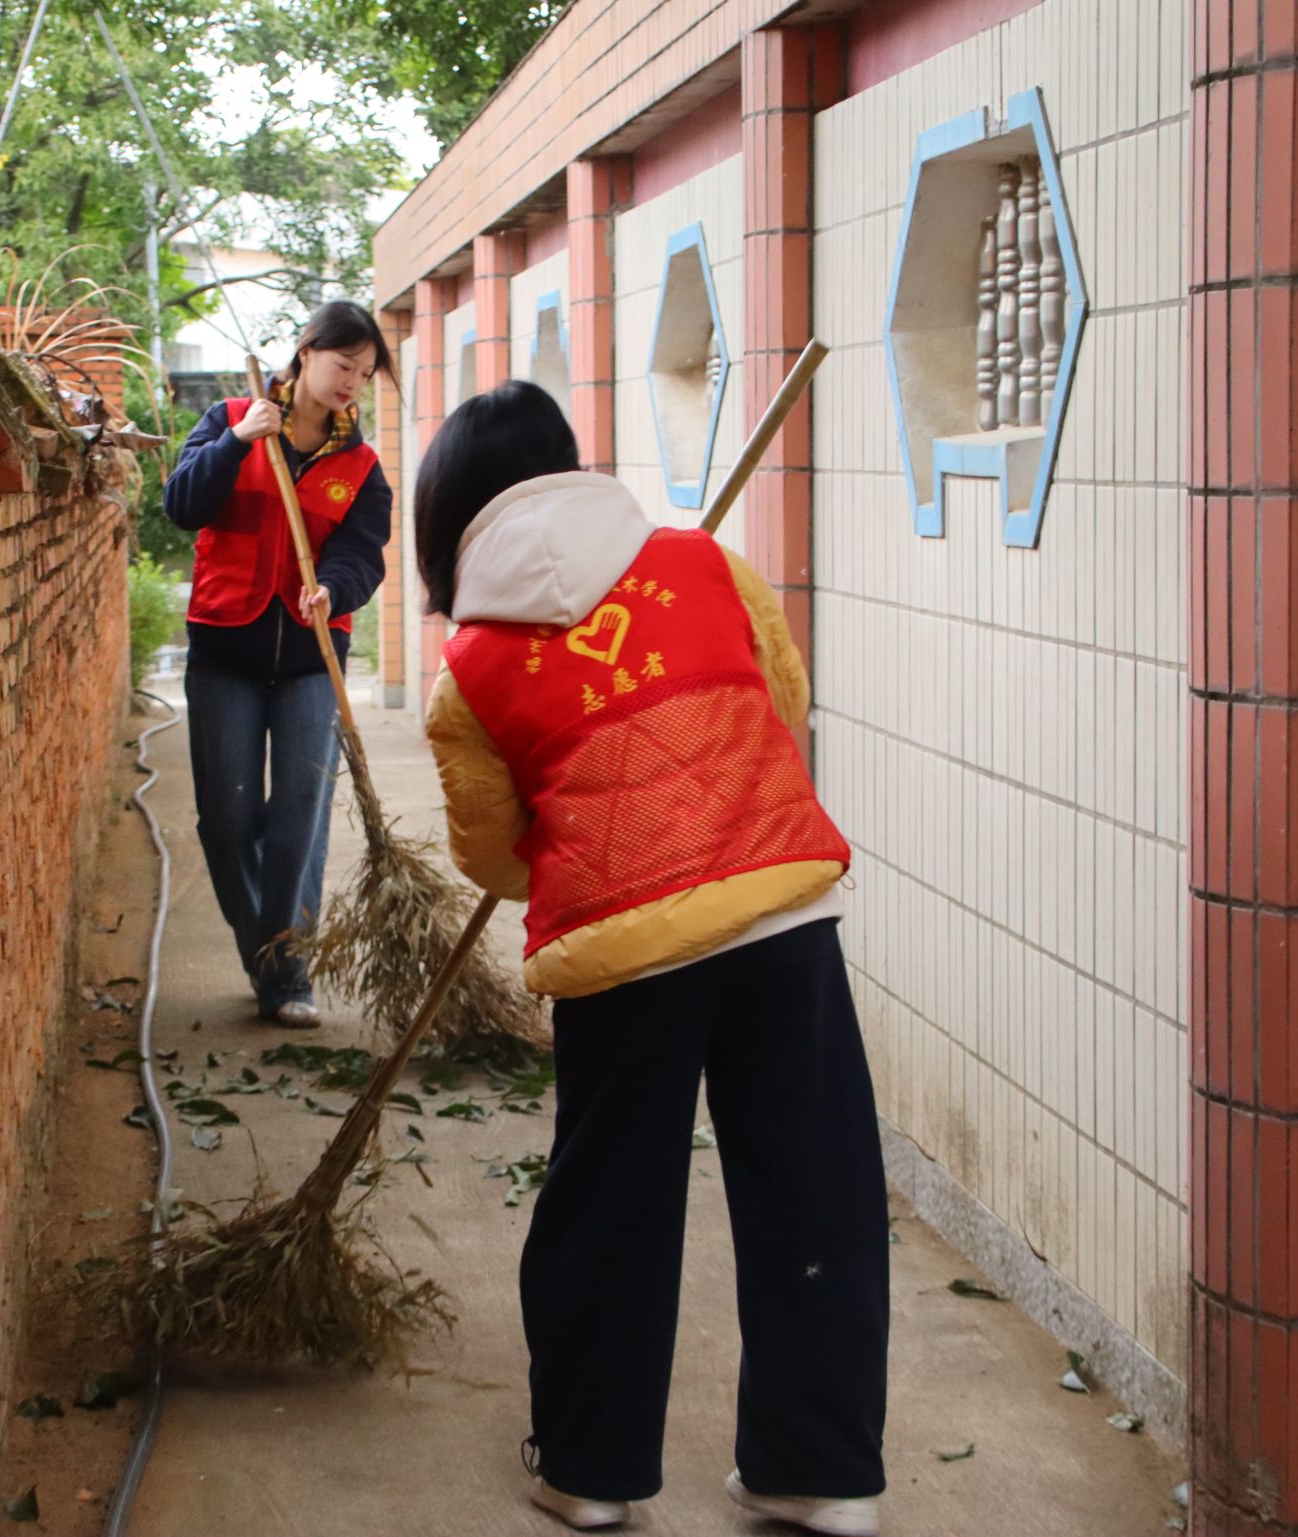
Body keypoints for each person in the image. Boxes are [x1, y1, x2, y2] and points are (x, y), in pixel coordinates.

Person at [416, 381, 890, 1536]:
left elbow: (493, 852)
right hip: (777, 915)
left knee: (609, 1201)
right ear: (569, 462)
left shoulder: (466, 671)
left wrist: (591, 838)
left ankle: (588, 1470)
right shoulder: (703, 562)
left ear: (450, 515)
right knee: (812, 1186)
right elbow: (781, 699)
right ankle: (817, 1471)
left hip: (618, 951)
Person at [163, 300, 395, 1027]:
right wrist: (236, 443)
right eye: (343, 364)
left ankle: (289, 972)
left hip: (309, 658)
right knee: (227, 817)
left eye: (365, 372)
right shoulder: (232, 419)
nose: (352, 381)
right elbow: (182, 505)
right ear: (306, 352)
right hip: (224, 649)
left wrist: (336, 588)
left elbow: (362, 553)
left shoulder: (360, 465)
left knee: (300, 810)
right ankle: (262, 949)